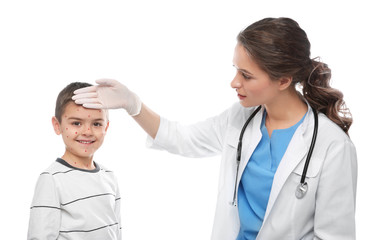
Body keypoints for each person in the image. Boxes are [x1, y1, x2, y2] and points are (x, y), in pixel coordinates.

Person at [72, 17, 357, 240]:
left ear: (283, 80)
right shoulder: (240, 119)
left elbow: (334, 236)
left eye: (246, 75)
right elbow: (183, 139)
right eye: (235, 69)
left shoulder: (332, 146)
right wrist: (134, 105)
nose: (234, 82)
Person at [28, 82, 121, 239]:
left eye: (97, 124)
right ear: (57, 126)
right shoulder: (52, 179)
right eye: (76, 123)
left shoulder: (109, 177)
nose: (87, 131)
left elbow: (116, 232)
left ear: (106, 128)